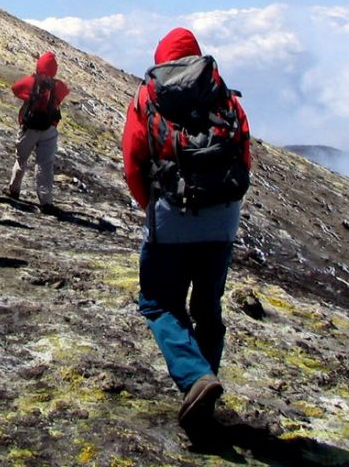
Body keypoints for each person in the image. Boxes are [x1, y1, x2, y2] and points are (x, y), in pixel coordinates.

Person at [121, 27, 250, 438]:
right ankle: (204, 389)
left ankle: (196, 379)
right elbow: (244, 153)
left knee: (158, 303)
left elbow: (132, 159)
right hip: (222, 220)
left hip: (171, 217)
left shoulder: (148, 97)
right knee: (208, 308)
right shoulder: (222, 93)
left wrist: (152, 208)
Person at [6, 51, 69, 211]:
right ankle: (46, 201)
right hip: (49, 129)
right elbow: (65, 92)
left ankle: (13, 190)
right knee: (45, 165)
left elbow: (15, 88)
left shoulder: (31, 81)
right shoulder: (58, 86)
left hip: (29, 128)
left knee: (21, 159)